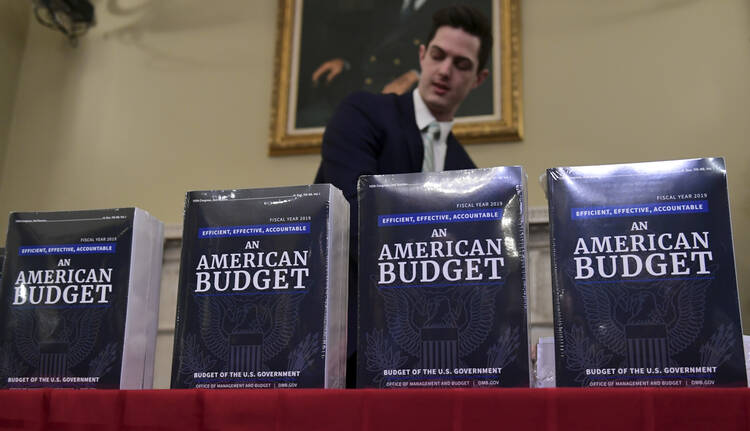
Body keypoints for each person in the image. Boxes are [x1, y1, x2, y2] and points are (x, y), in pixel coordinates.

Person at [314, 4, 492, 387]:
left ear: (478, 79)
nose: (445, 70)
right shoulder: (362, 114)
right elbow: (353, 216)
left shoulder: (471, 173)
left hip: (437, 352)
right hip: (347, 346)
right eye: (439, 55)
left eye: (461, 65)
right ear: (421, 55)